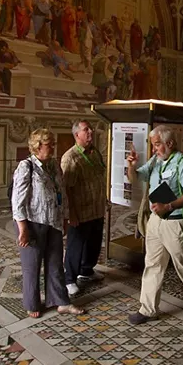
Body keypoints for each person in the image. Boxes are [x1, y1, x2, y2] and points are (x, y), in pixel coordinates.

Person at [125, 125, 183, 325]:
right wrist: (131, 165)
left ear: (170, 143)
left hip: (175, 222)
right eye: (153, 145)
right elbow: (135, 178)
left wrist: (169, 206)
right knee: (153, 264)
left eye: (157, 145)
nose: (154, 149)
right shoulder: (156, 160)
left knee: (182, 264)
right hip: (156, 221)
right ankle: (147, 309)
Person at [10, 128, 86, 318]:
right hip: (32, 223)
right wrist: (23, 229)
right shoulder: (26, 166)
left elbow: (62, 193)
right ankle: (32, 303)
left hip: (53, 221)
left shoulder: (53, 165)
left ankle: (61, 302)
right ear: (37, 146)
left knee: (55, 264)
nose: (52, 147)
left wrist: (65, 217)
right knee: (32, 266)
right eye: (48, 144)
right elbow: (17, 200)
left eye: (53, 143)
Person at [61, 120, 108, 296]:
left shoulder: (94, 153)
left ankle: (86, 270)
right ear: (76, 135)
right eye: (86, 129)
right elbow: (66, 189)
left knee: (94, 243)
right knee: (76, 245)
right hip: (80, 211)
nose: (90, 132)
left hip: (96, 208)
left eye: (90, 128)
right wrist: (71, 213)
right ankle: (69, 279)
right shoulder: (70, 157)